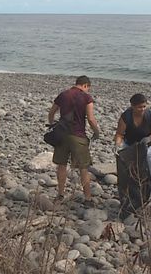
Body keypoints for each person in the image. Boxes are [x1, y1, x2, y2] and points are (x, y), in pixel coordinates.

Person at [48, 75, 100, 206]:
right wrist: (96, 132)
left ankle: (60, 194)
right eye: (88, 88)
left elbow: (52, 112)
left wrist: (52, 124)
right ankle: (87, 198)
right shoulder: (86, 97)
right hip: (78, 135)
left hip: (62, 135)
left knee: (61, 165)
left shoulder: (63, 95)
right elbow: (91, 118)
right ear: (85, 85)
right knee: (83, 167)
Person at [114, 93, 151, 196]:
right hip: (131, 146)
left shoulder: (150, 115)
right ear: (132, 106)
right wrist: (117, 144)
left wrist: (149, 137)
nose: (142, 109)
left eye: (144, 106)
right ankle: (135, 195)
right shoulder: (126, 117)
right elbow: (119, 134)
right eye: (139, 107)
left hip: (149, 146)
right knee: (132, 172)